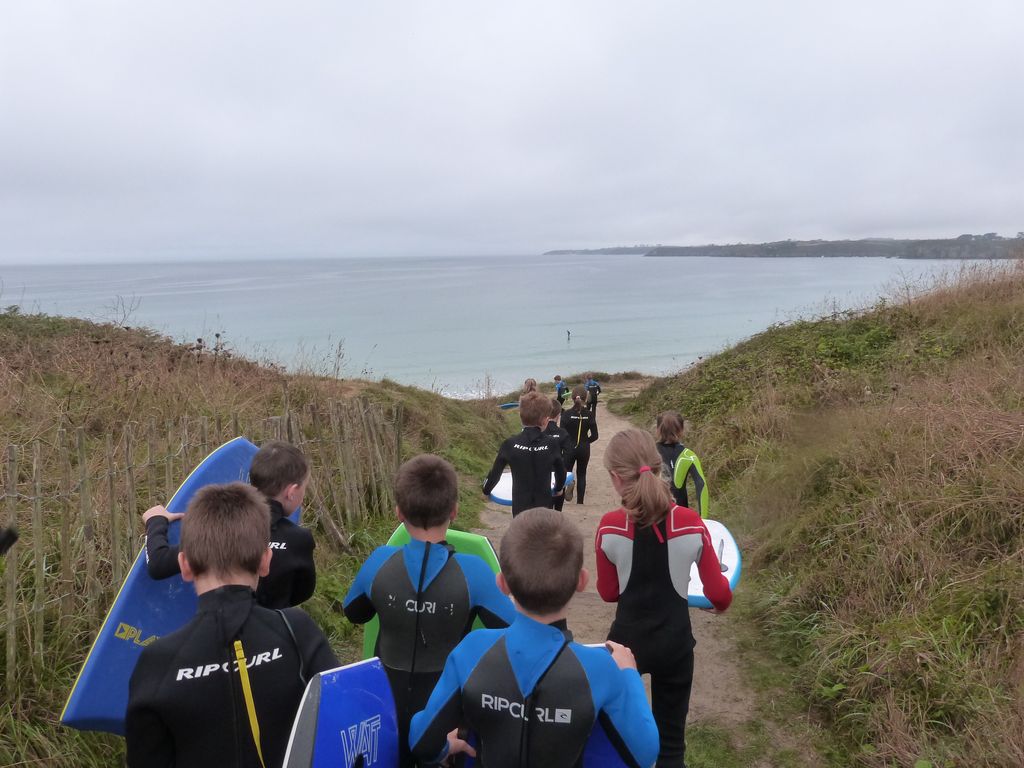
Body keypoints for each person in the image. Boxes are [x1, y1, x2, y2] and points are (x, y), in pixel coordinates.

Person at [409, 508, 659, 768]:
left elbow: (422, 741)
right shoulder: (600, 668)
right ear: (581, 581)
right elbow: (645, 752)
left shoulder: (473, 650)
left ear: (502, 584)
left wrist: (444, 749)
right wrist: (629, 674)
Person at [125, 482, 338, 768]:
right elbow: (342, 723)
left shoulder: (157, 663)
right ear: (266, 561)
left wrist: (156, 524)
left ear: (185, 565)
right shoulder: (298, 633)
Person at [343, 455, 518, 768]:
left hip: (385, 714)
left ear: (399, 512)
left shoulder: (379, 562)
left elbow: (354, 612)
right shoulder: (474, 572)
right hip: (445, 721)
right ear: (454, 511)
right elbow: (517, 630)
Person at [595, 429, 732, 768]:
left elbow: (608, 593)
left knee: (617, 739)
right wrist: (718, 604)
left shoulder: (609, 526)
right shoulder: (691, 523)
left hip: (625, 646)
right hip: (675, 644)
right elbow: (719, 594)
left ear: (615, 478)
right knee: (671, 747)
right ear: (659, 468)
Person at [142, 440, 317, 609]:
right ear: (291, 492)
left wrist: (155, 520)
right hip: (273, 626)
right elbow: (303, 593)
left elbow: (158, 564)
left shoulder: (220, 528)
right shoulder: (299, 540)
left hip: (217, 626)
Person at [482, 390, 566, 516]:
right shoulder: (551, 444)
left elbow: (495, 473)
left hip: (520, 507)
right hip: (544, 506)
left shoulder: (510, 444)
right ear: (545, 421)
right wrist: (558, 488)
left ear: (520, 417)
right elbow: (561, 472)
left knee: (522, 528)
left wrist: (486, 490)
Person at [654, 411, 708, 515]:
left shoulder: (650, 453)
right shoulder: (688, 456)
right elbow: (701, 485)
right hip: (681, 516)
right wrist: (704, 518)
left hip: (655, 516)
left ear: (658, 430)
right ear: (682, 430)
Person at [559, 385, 598, 504]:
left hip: (569, 447)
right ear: (586, 398)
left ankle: (562, 498)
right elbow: (595, 435)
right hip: (583, 448)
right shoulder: (589, 414)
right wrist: (585, 442)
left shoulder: (566, 414)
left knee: (566, 473)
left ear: (572, 398)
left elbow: (562, 435)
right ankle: (580, 502)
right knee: (582, 473)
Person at [544, 398, 572, 510]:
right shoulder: (563, 433)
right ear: (558, 415)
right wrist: (564, 470)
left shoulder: (539, 432)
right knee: (558, 508)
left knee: (545, 508)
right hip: (558, 473)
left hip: (542, 474)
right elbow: (568, 454)